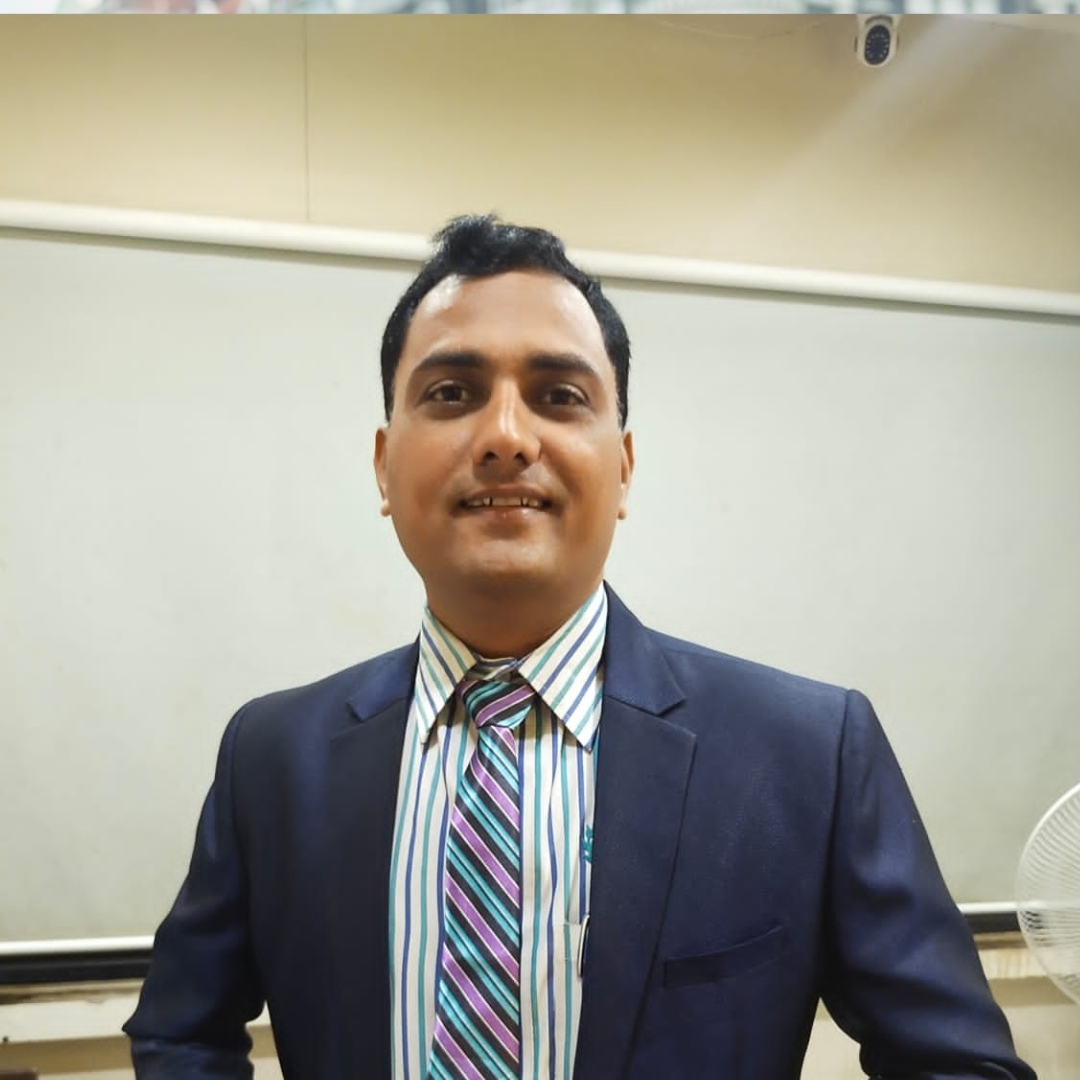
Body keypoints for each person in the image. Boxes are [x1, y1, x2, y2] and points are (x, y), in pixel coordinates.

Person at [125, 215, 1034, 1080]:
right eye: (452, 393)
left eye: (560, 396)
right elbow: (180, 1029)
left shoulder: (807, 752)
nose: (507, 437)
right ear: (382, 464)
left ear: (625, 466)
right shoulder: (274, 757)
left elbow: (959, 1062)